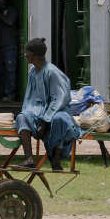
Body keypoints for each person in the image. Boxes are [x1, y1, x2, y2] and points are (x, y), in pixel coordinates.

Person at [14, 38, 82, 172]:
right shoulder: (32, 72)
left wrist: (44, 122)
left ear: (33, 55)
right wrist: (29, 114)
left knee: (59, 120)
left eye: (27, 52)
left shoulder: (52, 72)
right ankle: (29, 159)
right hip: (39, 112)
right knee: (22, 117)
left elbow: (59, 100)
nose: (25, 55)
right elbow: (29, 99)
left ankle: (55, 160)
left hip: (58, 111)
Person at [0, 0, 19, 100]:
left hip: (10, 45)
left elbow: (10, 22)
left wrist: (0, 16)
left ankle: (10, 95)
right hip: (1, 46)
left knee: (10, 70)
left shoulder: (11, 10)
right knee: (1, 72)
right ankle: (2, 94)